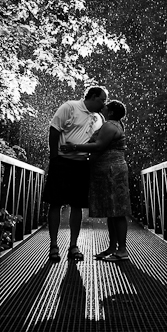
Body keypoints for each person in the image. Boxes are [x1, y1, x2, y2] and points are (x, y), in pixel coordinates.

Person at [60, 100, 130, 262]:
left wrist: (74, 147)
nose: (102, 106)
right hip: (110, 170)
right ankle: (113, 247)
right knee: (113, 211)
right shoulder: (114, 125)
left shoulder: (109, 126)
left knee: (118, 211)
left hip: (112, 171)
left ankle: (122, 251)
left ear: (111, 112)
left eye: (106, 106)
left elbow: (99, 145)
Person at [44, 86, 108, 261]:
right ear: (93, 97)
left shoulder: (99, 118)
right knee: (55, 203)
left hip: (82, 165)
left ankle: (73, 246)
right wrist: (54, 157)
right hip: (62, 162)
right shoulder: (70, 107)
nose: (104, 103)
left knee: (77, 205)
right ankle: (53, 246)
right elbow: (54, 129)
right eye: (102, 99)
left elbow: (98, 142)